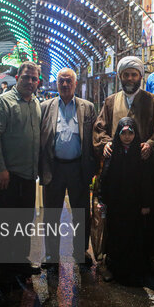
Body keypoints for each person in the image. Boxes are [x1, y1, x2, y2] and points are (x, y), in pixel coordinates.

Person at [93, 56, 154, 278]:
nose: (130, 78)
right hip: (117, 173)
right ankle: (113, 260)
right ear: (120, 76)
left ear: (141, 76)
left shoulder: (152, 101)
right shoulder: (111, 102)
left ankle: (141, 261)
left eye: (134, 74)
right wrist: (105, 144)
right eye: (126, 74)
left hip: (142, 171)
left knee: (142, 217)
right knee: (117, 218)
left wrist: (150, 144)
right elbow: (99, 129)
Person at [0, 61, 42, 291]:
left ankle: (21, 261)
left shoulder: (36, 103)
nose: (30, 82)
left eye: (34, 79)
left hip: (28, 176)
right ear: (17, 77)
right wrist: (0, 168)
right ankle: (5, 269)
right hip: (7, 176)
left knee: (23, 222)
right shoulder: (2, 102)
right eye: (26, 77)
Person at [39, 68, 97, 271]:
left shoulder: (87, 108)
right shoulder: (45, 107)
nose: (64, 85)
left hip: (78, 167)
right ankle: (51, 254)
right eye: (61, 81)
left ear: (75, 84)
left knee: (81, 213)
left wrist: (93, 168)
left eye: (68, 81)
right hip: (54, 168)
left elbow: (94, 140)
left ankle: (80, 251)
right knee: (52, 214)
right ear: (56, 84)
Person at [98, 117, 154, 287]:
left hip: (134, 204)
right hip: (116, 203)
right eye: (124, 133)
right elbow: (104, 177)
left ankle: (133, 269)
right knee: (115, 235)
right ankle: (113, 267)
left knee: (134, 236)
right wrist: (102, 200)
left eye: (131, 133)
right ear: (118, 134)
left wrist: (146, 204)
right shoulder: (113, 151)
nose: (127, 137)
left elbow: (146, 180)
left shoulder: (141, 153)